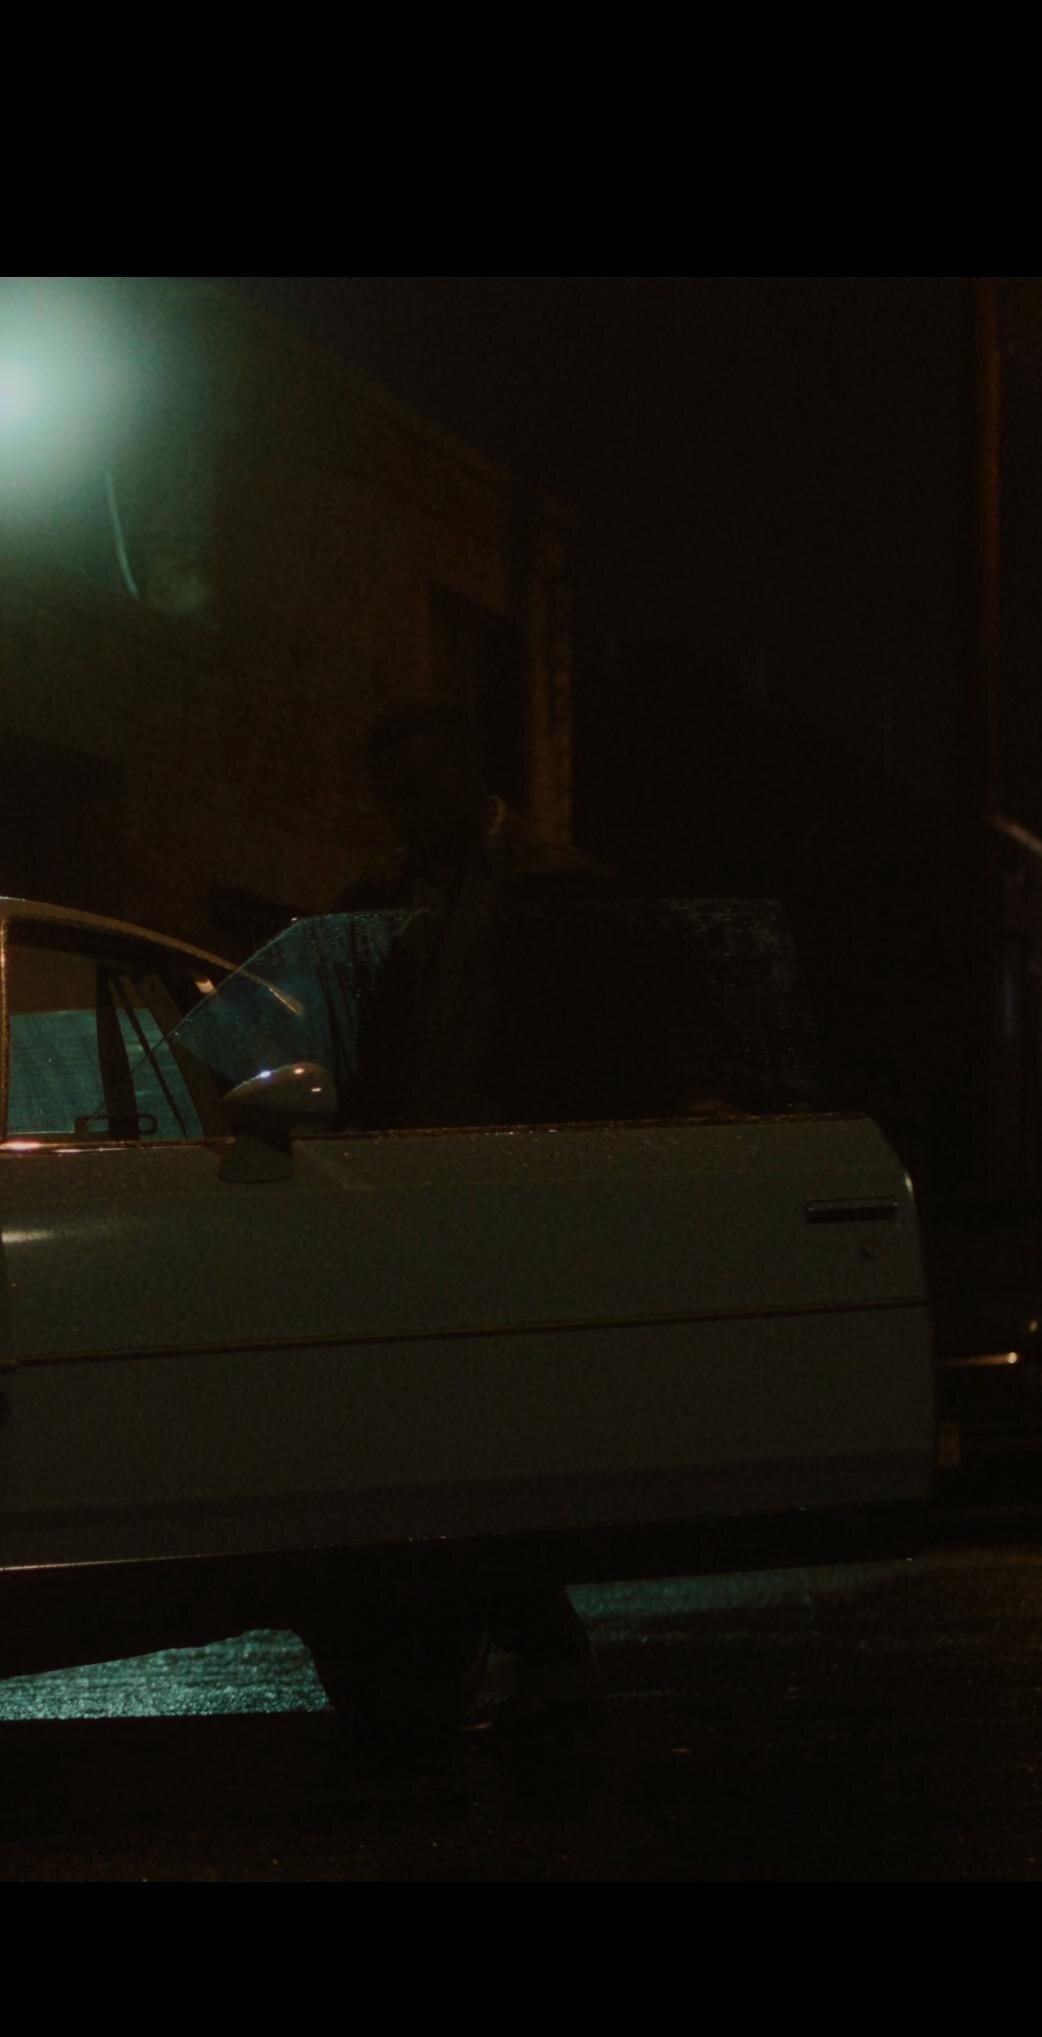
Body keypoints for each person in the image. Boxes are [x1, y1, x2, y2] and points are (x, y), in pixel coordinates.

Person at [330, 700, 705, 1733]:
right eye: (393, 795)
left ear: (469, 777)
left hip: (518, 1197)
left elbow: (633, 1051)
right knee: (451, 1433)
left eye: (420, 789)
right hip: (418, 1201)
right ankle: (522, 1650)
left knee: (476, 1432)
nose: (406, 811)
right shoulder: (392, 900)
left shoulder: (558, 893)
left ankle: (524, 1650)